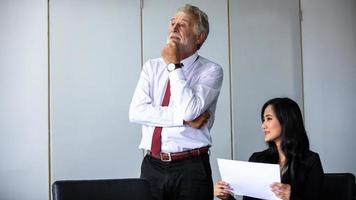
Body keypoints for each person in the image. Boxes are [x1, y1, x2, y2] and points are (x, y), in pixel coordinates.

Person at [129, 4, 223, 200]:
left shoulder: (211, 71)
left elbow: (189, 110)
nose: (174, 28)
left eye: (183, 24)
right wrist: (183, 120)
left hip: (191, 168)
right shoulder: (151, 67)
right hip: (151, 165)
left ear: (199, 37)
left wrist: (173, 65)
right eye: (172, 23)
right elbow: (136, 112)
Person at [214, 97, 324, 200]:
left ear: (286, 121)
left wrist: (292, 196)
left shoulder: (310, 160)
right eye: (263, 120)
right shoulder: (257, 159)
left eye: (269, 119)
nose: (263, 125)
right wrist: (227, 197)